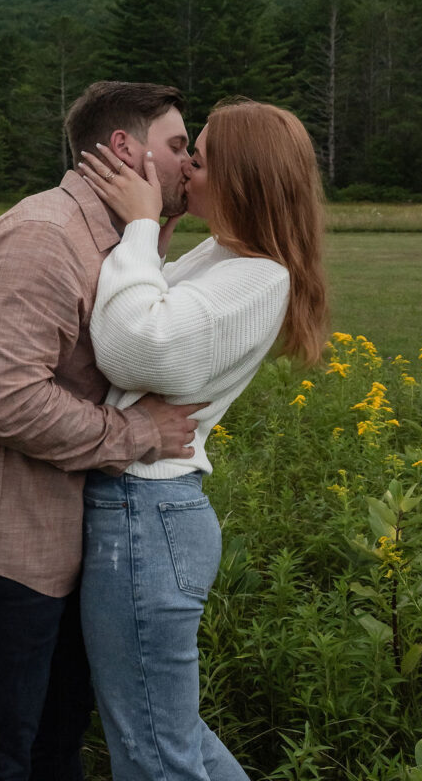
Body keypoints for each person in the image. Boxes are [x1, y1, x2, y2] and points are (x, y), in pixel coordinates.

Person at [0, 81, 208, 781]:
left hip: (56, 544)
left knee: (52, 753)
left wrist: (153, 231)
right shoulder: (45, 238)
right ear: (126, 149)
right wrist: (138, 433)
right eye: (179, 146)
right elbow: (8, 401)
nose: (189, 163)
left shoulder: (113, 245)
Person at [77, 97, 329, 781]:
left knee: (153, 751)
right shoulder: (224, 257)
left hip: (145, 517)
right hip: (145, 516)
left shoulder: (258, 277)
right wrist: (154, 238)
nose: (186, 164)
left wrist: (137, 223)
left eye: (203, 156)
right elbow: (150, 302)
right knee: (167, 735)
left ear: (240, 180)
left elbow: (135, 348)